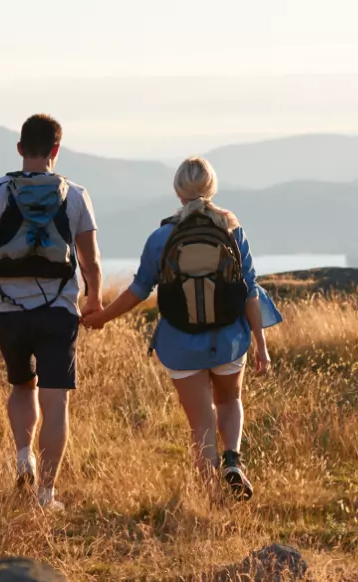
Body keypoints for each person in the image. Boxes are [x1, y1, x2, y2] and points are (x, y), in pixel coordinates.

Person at [82, 156, 281, 500]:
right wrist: (261, 345)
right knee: (230, 398)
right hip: (229, 341)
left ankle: (212, 498)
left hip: (180, 344)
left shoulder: (162, 237)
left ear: (178, 192)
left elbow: (138, 291)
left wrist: (100, 318)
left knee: (201, 425)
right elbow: (250, 291)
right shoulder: (233, 231)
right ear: (212, 188)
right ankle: (232, 458)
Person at [0, 113, 103, 511]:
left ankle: (25, 457)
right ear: (57, 150)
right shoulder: (75, 195)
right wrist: (94, 299)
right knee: (55, 399)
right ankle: (46, 495)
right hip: (58, 311)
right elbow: (89, 259)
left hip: (8, 310)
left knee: (23, 386)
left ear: (20, 149)